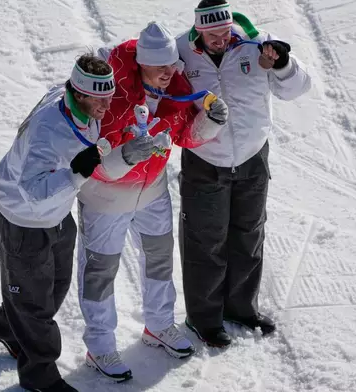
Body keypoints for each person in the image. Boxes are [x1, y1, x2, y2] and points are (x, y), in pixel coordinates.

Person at [75, 22, 229, 381]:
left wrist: (211, 122)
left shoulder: (176, 87)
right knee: (99, 273)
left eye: (172, 64)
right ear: (141, 62)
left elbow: (186, 136)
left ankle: (158, 325)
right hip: (105, 198)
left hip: (153, 192)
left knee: (159, 262)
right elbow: (92, 156)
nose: (169, 72)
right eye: (160, 66)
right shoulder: (109, 95)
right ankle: (99, 347)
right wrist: (126, 156)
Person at [175, 0, 312, 347]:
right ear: (198, 31)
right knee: (205, 241)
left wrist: (282, 65)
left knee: (249, 234)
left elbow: (297, 88)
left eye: (225, 34)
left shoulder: (257, 45)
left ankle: (241, 307)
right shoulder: (180, 51)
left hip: (252, 156)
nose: (221, 41)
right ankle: (203, 319)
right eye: (213, 36)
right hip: (205, 158)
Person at [0, 54, 117, 392]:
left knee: (55, 286)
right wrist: (77, 173)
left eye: (109, 94)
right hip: (24, 217)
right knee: (33, 301)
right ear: (80, 93)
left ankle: (7, 325)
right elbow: (31, 189)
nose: (106, 104)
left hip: (56, 213)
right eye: (99, 98)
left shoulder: (77, 99)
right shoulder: (49, 128)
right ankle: (40, 375)